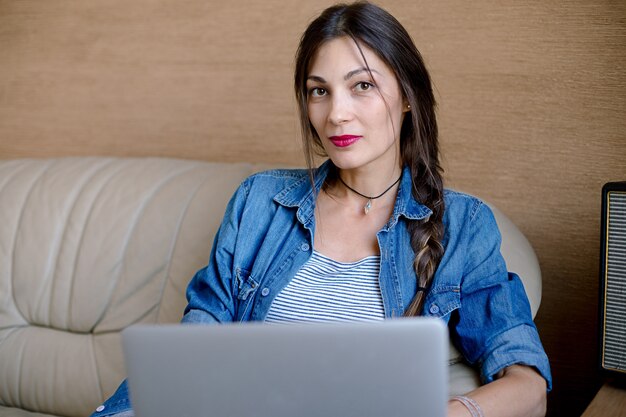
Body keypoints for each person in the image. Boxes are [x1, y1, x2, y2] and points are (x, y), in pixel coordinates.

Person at [91, 2, 551, 416]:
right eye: (319, 91)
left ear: (408, 97)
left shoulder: (462, 226)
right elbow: (197, 341)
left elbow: (527, 386)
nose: (337, 114)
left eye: (362, 86)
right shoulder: (259, 202)